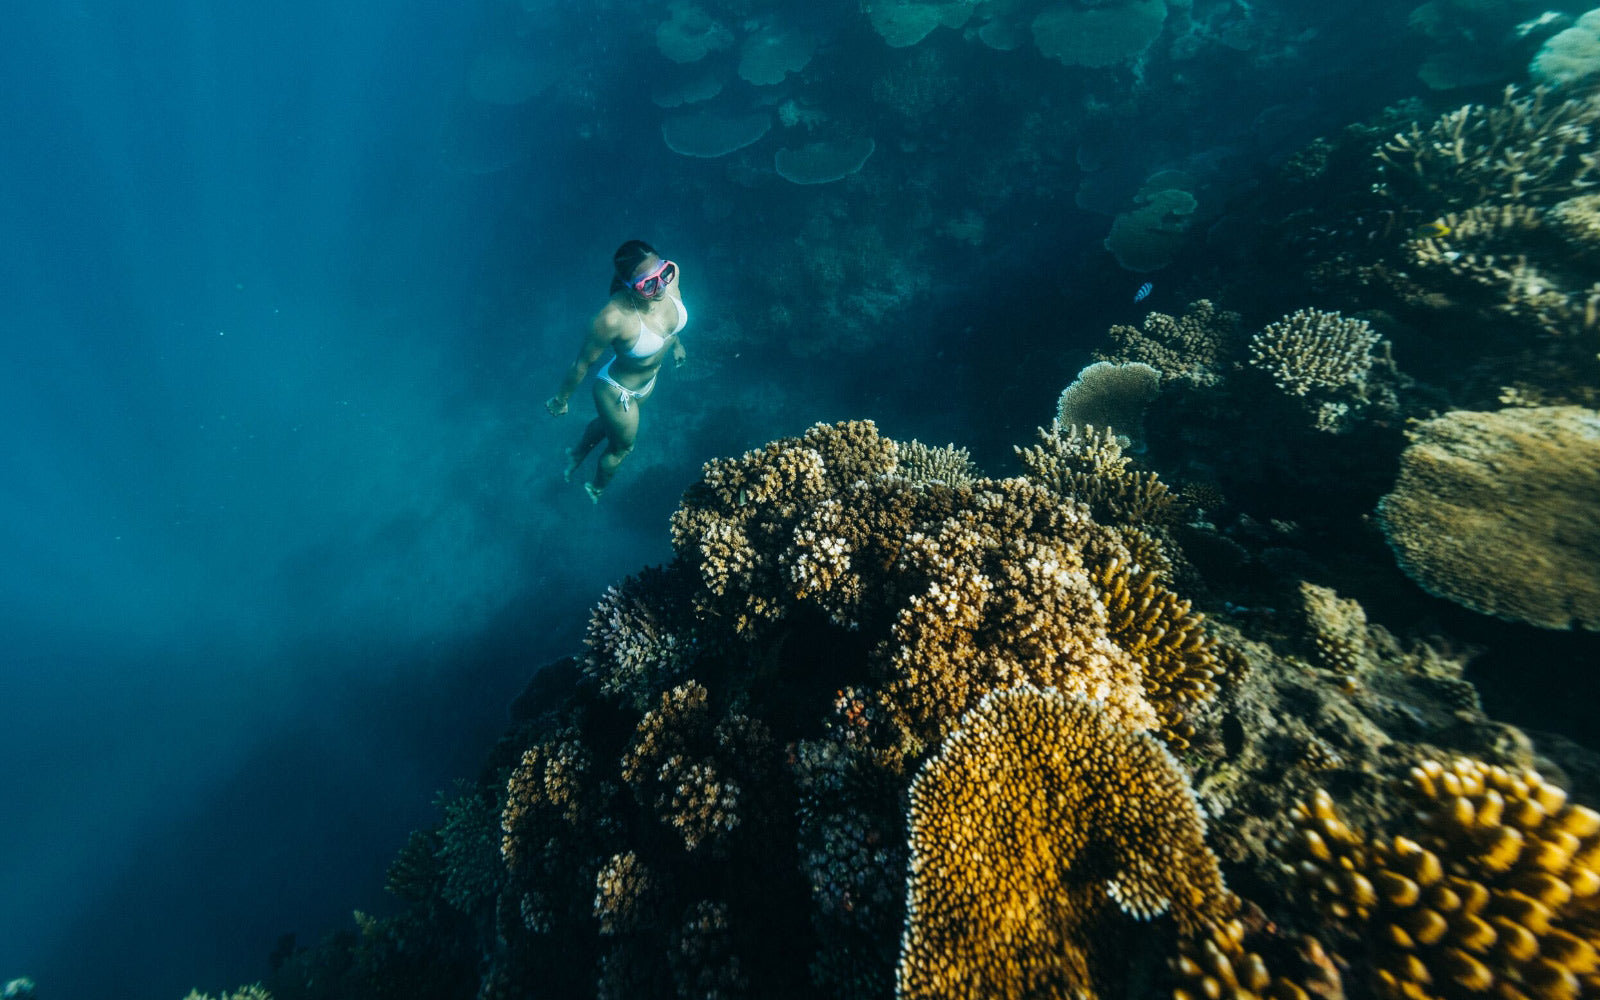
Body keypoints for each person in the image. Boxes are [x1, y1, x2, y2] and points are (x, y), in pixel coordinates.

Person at [546, 240, 688, 502]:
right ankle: (595, 488)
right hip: (616, 391)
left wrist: (678, 344)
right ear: (627, 287)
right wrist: (560, 400)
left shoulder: (673, 274)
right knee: (622, 447)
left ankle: (577, 453)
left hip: (647, 382)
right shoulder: (612, 318)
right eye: (648, 284)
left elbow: (669, 326)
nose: (660, 286)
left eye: (663, 273)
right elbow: (581, 364)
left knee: (607, 425)